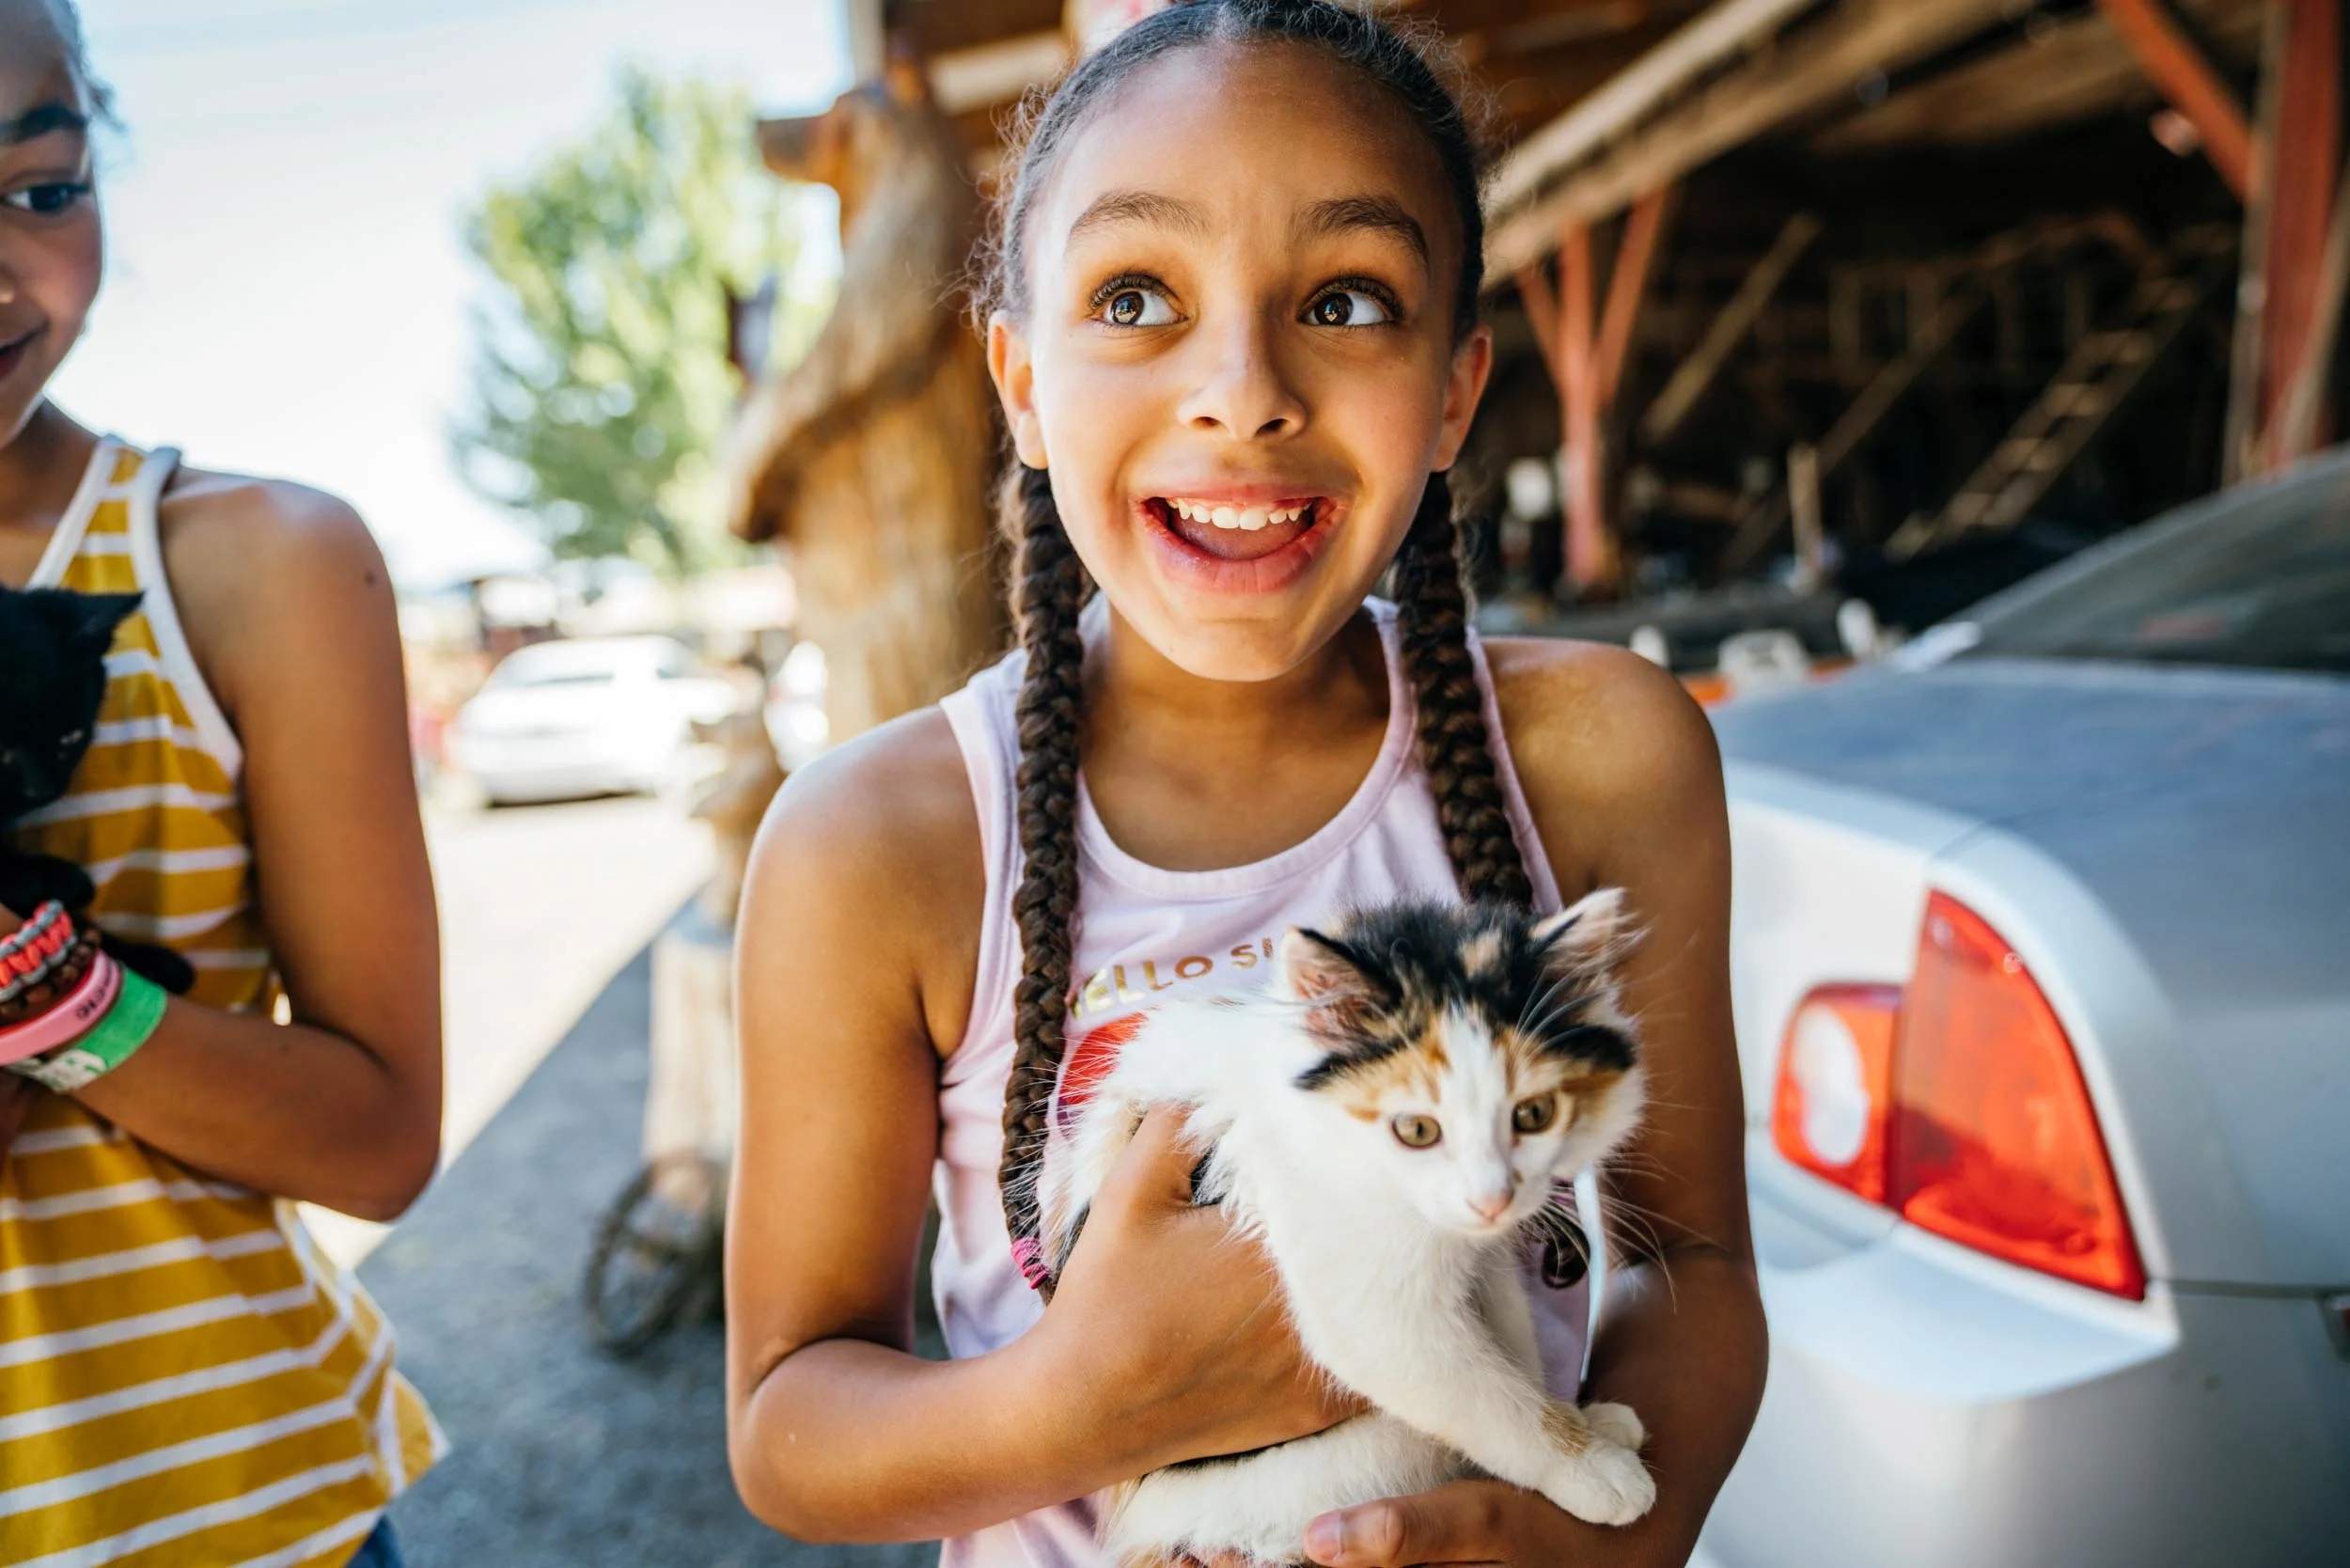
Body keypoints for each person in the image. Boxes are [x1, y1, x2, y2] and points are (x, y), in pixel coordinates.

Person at [724, 4, 1766, 1564]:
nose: (1243, 390)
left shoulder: (1602, 753)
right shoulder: (882, 843)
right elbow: (792, 1429)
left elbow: (1692, 1270)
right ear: (1018, 381)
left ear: (1459, 393)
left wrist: (1607, 1540)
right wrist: (1091, 1397)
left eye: (1346, 299)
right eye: (1136, 294)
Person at [0, 2, 444, 1563]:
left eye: (41, 187)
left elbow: (379, 1137)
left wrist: (37, 989)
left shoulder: (252, 565)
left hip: (239, 1510)